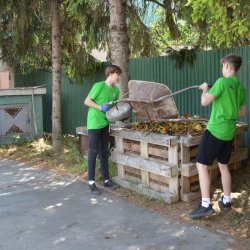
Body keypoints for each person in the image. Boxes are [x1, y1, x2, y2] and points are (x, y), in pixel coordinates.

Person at [190, 54, 247, 219]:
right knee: (223, 165)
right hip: (229, 132)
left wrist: (205, 89)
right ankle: (227, 200)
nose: (222, 69)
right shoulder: (241, 88)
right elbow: (242, 112)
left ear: (228, 67)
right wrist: (228, 106)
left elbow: (204, 102)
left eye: (223, 67)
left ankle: (206, 205)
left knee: (201, 165)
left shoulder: (221, 82)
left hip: (215, 131)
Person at [84, 65, 122, 195]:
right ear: (111, 73)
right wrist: (100, 108)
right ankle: (91, 183)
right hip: (94, 123)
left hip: (106, 124)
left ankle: (106, 180)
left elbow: (114, 109)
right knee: (94, 152)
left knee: (104, 152)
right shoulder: (99, 86)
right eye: (118, 74)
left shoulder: (116, 91)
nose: (119, 77)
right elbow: (87, 101)